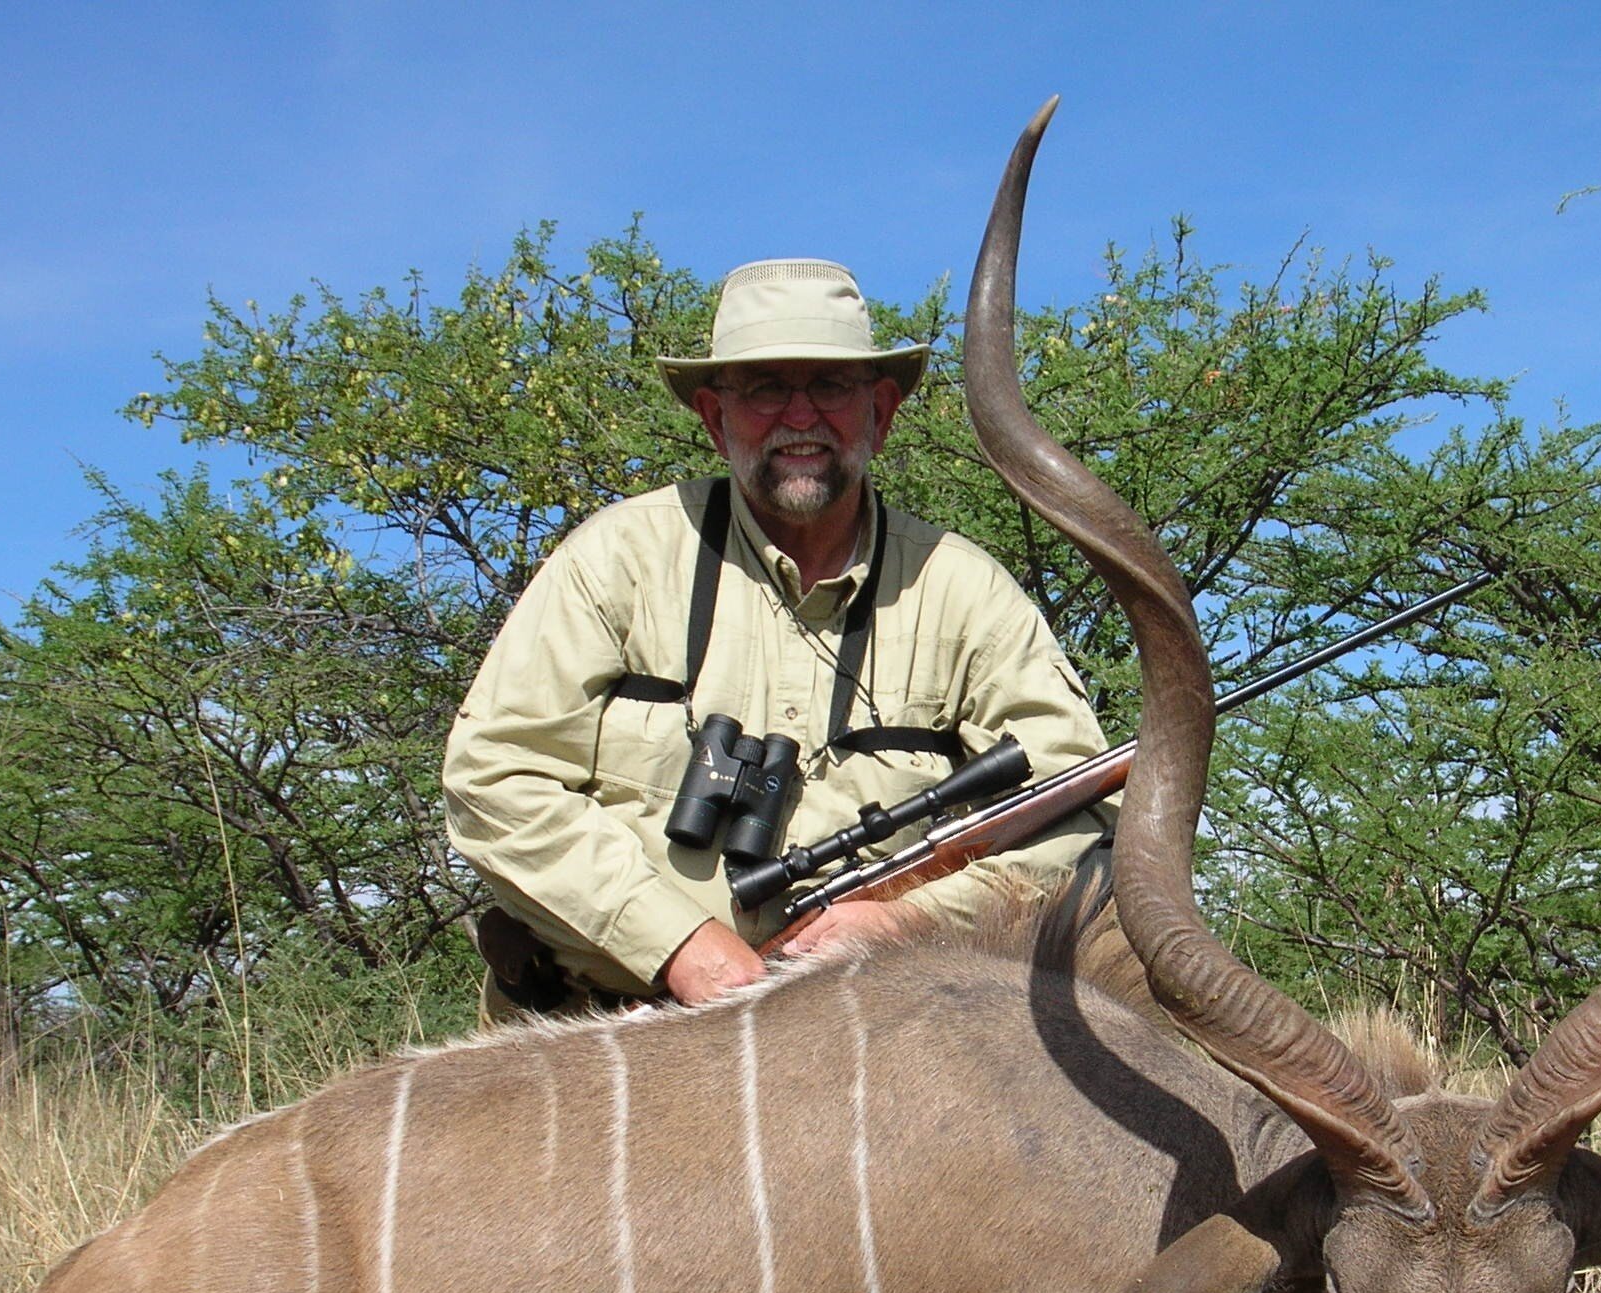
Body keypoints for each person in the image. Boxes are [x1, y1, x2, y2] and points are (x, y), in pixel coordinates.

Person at [444, 258, 1110, 1013]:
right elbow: (492, 777)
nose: (800, 416)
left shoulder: (967, 591)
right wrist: (676, 942)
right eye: (764, 387)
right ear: (713, 415)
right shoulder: (616, 559)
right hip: (601, 1027)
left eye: (829, 385)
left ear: (881, 412)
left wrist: (909, 917)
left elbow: (1079, 808)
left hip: (874, 1022)